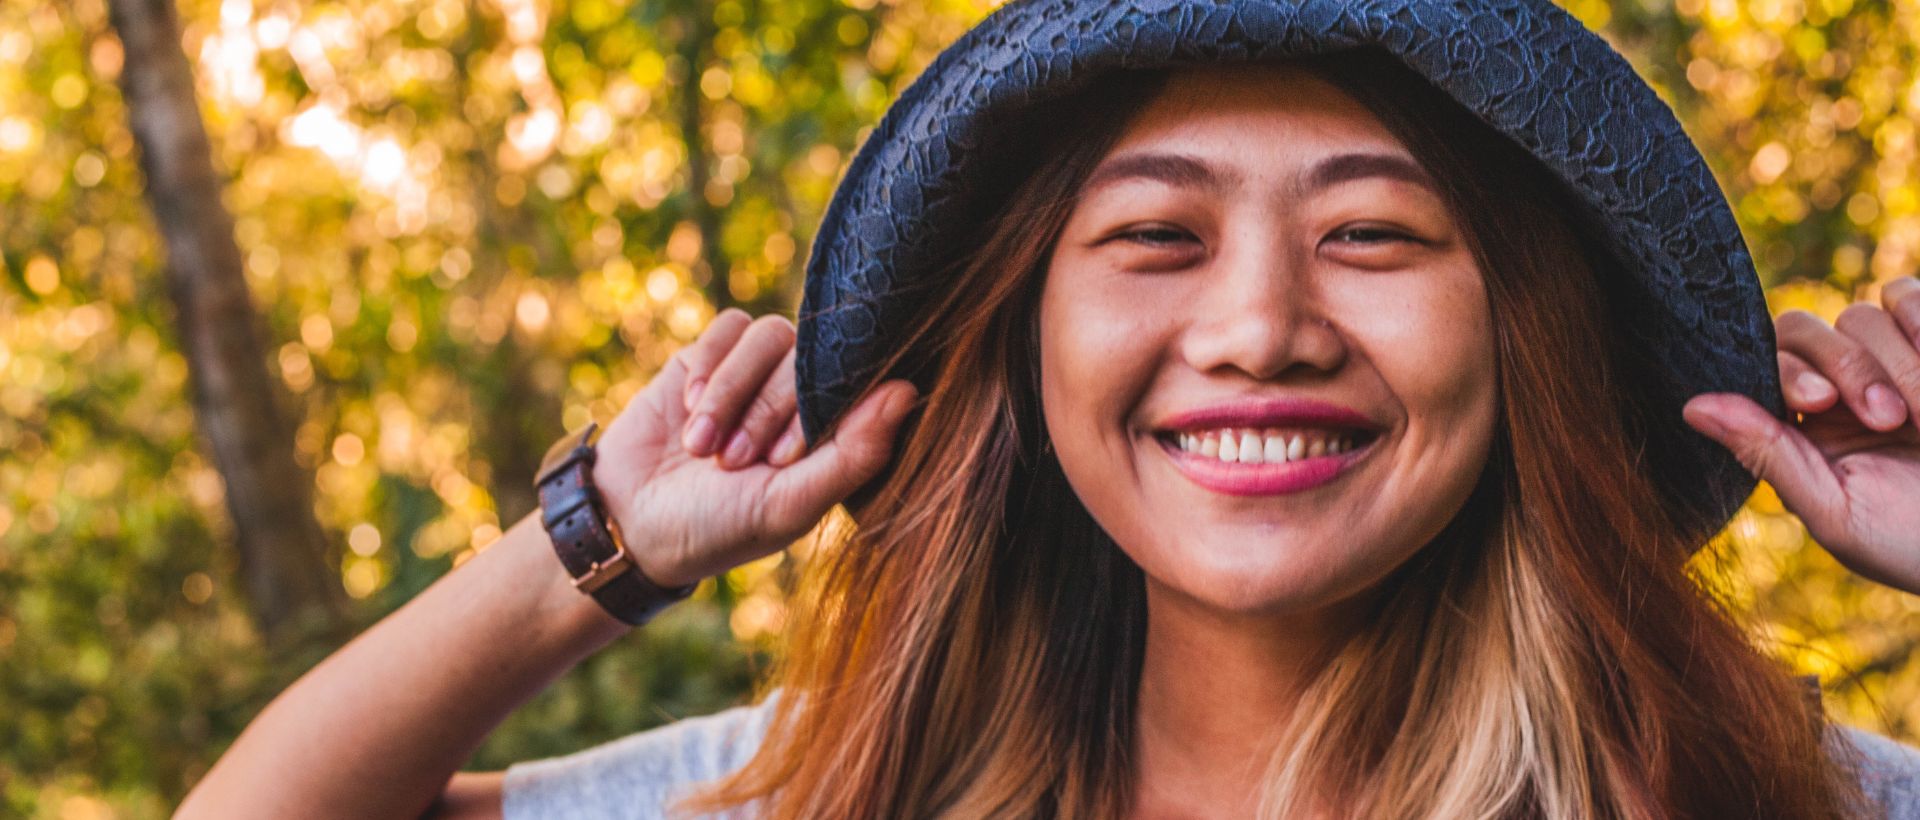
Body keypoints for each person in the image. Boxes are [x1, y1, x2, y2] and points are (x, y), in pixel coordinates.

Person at [178, 2, 1920, 818]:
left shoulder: (1774, 798)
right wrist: (599, 547)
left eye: (1374, 236)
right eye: (1156, 237)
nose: (1258, 327)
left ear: (1524, 336)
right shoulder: (832, 797)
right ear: (1019, 342)